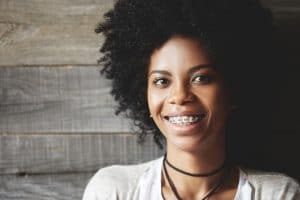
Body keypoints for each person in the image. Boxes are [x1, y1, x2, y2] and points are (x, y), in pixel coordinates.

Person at [83, 0, 300, 199]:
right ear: (143, 94)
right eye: (161, 81)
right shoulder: (113, 190)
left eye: (201, 78)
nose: (179, 96)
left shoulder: (277, 194)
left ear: (234, 89)